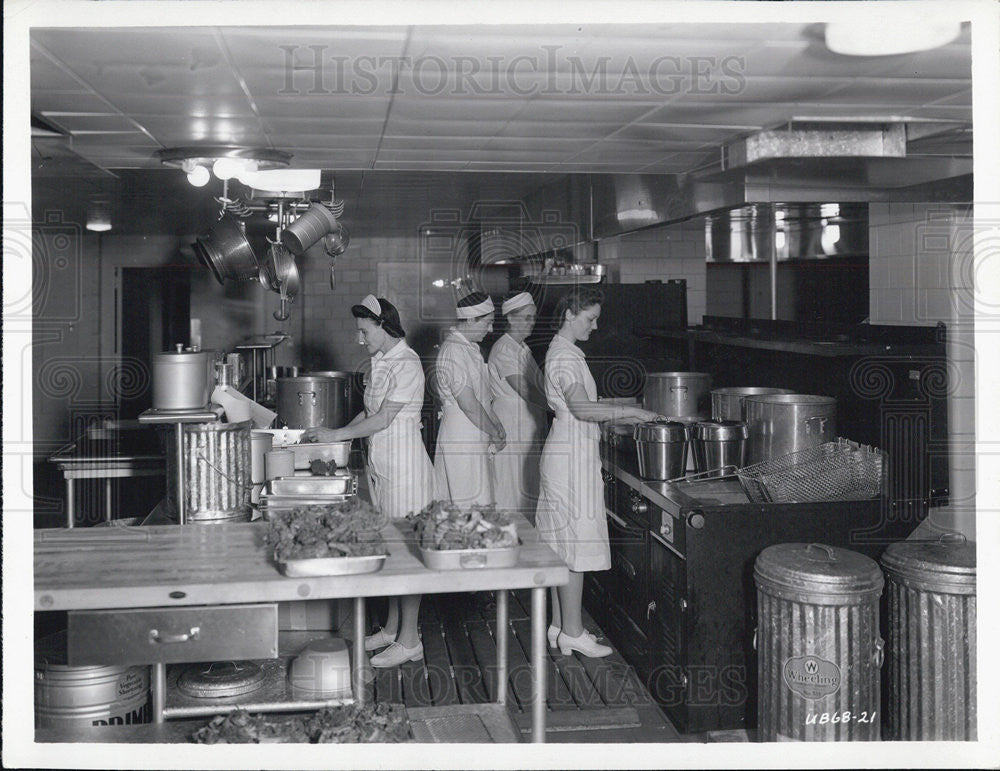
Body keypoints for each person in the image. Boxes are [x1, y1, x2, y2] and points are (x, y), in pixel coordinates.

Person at [304, 295, 432, 668]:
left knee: (408, 556)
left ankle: (411, 641)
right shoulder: (380, 362)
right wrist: (337, 433)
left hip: (406, 469)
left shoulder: (407, 365)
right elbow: (370, 411)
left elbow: (383, 420)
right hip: (383, 466)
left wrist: (338, 435)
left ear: (383, 326)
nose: (360, 339)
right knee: (391, 550)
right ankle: (393, 630)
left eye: (364, 331)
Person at [535, 289, 663, 658]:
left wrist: (622, 406)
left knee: (563, 545)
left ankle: (561, 626)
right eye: (590, 318)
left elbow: (586, 405)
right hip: (570, 456)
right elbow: (582, 409)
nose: (596, 325)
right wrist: (635, 413)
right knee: (573, 545)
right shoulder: (564, 357)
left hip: (567, 450)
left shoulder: (564, 353)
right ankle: (573, 632)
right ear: (570, 313)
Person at [433, 292, 505, 506]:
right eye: (488, 323)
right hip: (461, 436)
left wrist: (497, 426)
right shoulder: (453, 351)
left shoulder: (471, 349)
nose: (490, 329)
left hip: (475, 433)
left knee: (480, 501)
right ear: (471, 320)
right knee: (465, 504)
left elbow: (483, 398)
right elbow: (469, 404)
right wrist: (493, 431)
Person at [488, 291, 547, 516]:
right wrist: (561, 409)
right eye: (526, 318)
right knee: (510, 489)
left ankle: (524, 543)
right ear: (511, 318)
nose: (531, 323)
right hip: (511, 426)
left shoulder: (523, 349)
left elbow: (542, 387)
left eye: (533, 317)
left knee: (527, 487)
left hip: (527, 427)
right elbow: (526, 390)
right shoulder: (504, 349)